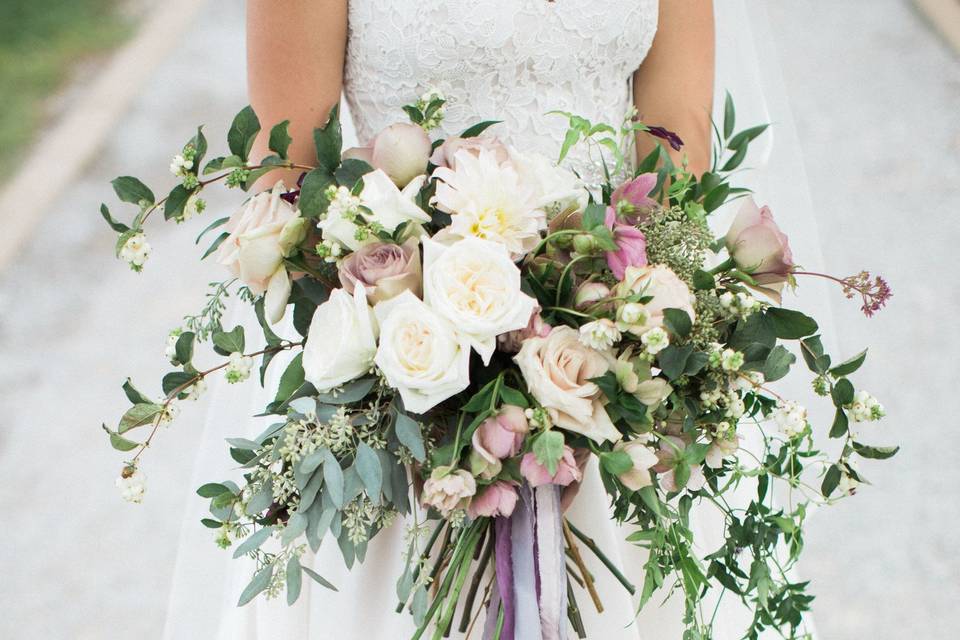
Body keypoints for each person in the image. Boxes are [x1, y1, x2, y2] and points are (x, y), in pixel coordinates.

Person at [164, 1, 811, 638]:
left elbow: (676, 154)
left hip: (602, 377)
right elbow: (290, 176)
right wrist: (435, 369)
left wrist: (617, 349)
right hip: (408, 395)